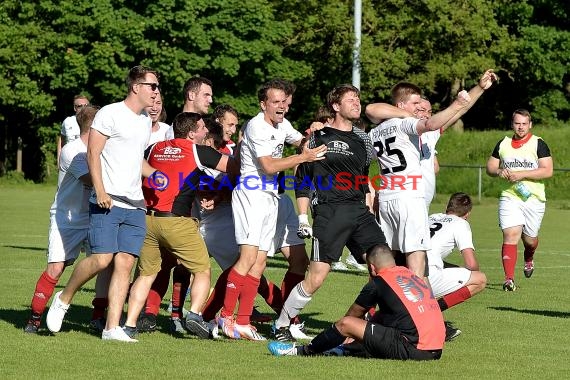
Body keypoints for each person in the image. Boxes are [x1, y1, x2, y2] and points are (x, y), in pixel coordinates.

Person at [46, 65, 163, 342]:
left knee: (124, 264)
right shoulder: (110, 113)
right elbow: (93, 153)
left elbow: (135, 160)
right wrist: (100, 190)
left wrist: (153, 174)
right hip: (107, 200)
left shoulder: (144, 121)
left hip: (135, 204)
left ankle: (112, 328)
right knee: (101, 259)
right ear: (136, 86)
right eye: (153, 86)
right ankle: (63, 298)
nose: (156, 92)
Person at [272, 84, 389, 342]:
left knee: (384, 268)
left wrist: (370, 203)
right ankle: (281, 324)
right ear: (336, 107)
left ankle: (365, 325)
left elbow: (364, 178)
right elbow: (302, 178)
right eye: (351, 100)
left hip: (360, 212)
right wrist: (303, 216)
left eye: (358, 99)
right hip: (330, 212)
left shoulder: (364, 140)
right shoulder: (318, 137)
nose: (357, 103)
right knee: (316, 277)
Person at [216, 79, 326, 341]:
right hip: (251, 194)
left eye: (284, 102)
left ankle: (243, 321)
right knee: (247, 258)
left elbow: (301, 140)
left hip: (268, 198)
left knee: (260, 261)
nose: (281, 107)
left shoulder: (281, 123)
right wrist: (303, 157)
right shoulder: (256, 127)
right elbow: (267, 166)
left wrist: (314, 133)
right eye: (275, 102)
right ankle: (225, 316)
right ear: (263, 104)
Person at [366, 69, 498, 278]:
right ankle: (416, 307)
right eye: (418, 106)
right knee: (416, 260)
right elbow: (450, 113)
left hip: (391, 197)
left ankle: (377, 305)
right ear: (401, 107)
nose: (424, 111)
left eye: (426, 109)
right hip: (410, 199)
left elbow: (456, 113)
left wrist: (479, 88)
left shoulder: (378, 130)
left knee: (387, 259)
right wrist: (457, 103)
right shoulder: (409, 125)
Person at [122, 112, 238, 340]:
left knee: (145, 275)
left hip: (147, 219)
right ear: (192, 132)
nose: (206, 132)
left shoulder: (154, 148)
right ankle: (194, 315)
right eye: (203, 128)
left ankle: (129, 325)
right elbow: (235, 167)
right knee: (202, 270)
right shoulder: (198, 150)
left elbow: (137, 165)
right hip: (177, 221)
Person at [268, 244, 445, 360]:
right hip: (436, 348)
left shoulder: (378, 282)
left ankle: (300, 351)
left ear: (372, 268)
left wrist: (342, 335)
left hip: (415, 348)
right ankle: (343, 349)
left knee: (347, 324)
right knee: (375, 324)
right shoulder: (410, 275)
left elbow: (351, 318)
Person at [24, 105, 99, 333]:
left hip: (95, 216)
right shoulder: (72, 150)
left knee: (106, 264)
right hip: (67, 220)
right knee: (56, 268)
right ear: (94, 125)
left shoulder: (103, 147)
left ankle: (98, 318)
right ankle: (35, 317)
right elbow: (90, 179)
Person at [485, 109, 553, 291]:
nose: (520, 127)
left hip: (533, 199)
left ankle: (529, 256)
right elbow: (490, 167)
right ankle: (509, 279)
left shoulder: (538, 143)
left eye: (524, 123)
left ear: (530, 124)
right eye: (517, 123)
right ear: (512, 124)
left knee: (530, 241)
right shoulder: (503, 143)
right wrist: (499, 171)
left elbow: (547, 170)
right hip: (510, 196)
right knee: (510, 234)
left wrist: (520, 175)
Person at [427, 192, 487, 338]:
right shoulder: (461, 223)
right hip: (425, 276)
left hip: (405, 269)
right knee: (480, 279)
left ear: (447, 207)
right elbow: (471, 264)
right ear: (467, 214)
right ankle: (432, 313)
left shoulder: (432, 217)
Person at [57, 95, 90, 163]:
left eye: (86, 105)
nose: (83, 108)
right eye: (80, 106)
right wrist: (59, 160)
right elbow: (62, 140)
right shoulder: (67, 122)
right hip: (69, 162)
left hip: (88, 161)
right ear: (75, 108)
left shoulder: (95, 121)